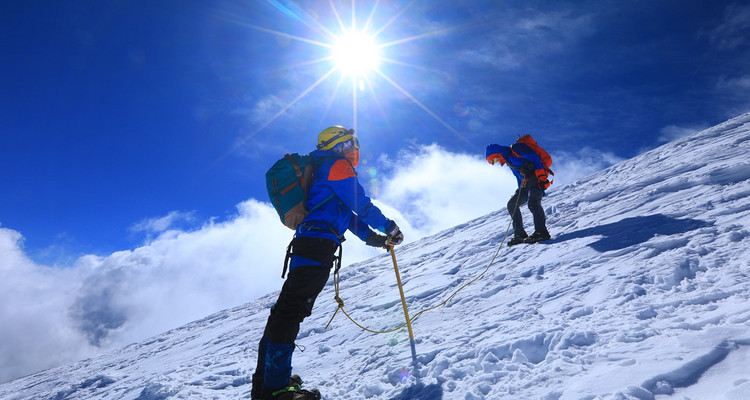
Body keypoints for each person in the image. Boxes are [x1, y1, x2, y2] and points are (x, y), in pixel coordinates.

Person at [252, 126, 404, 400]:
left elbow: (351, 218)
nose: (353, 149)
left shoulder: (327, 169)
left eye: (353, 143)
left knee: (286, 310)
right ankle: (275, 390)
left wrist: (378, 240)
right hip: (318, 245)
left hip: (311, 243)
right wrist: (390, 228)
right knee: (291, 311)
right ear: (337, 147)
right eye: (348, 144)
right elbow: (362, 205)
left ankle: (268, 382)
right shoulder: (337, 166)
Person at [486, 142, 551, 246]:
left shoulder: (516, 148)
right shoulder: (509, 161)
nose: (496, 162)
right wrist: (519, 188)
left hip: (536, 178)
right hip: (525, 185)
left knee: (533, 203)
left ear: (497, 153)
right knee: (512, 204)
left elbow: (534, 157)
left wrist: (541, 175)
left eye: (494, 159)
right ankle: (520, 234)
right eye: (493, 162)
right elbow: (518, 177)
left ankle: (542, 232)